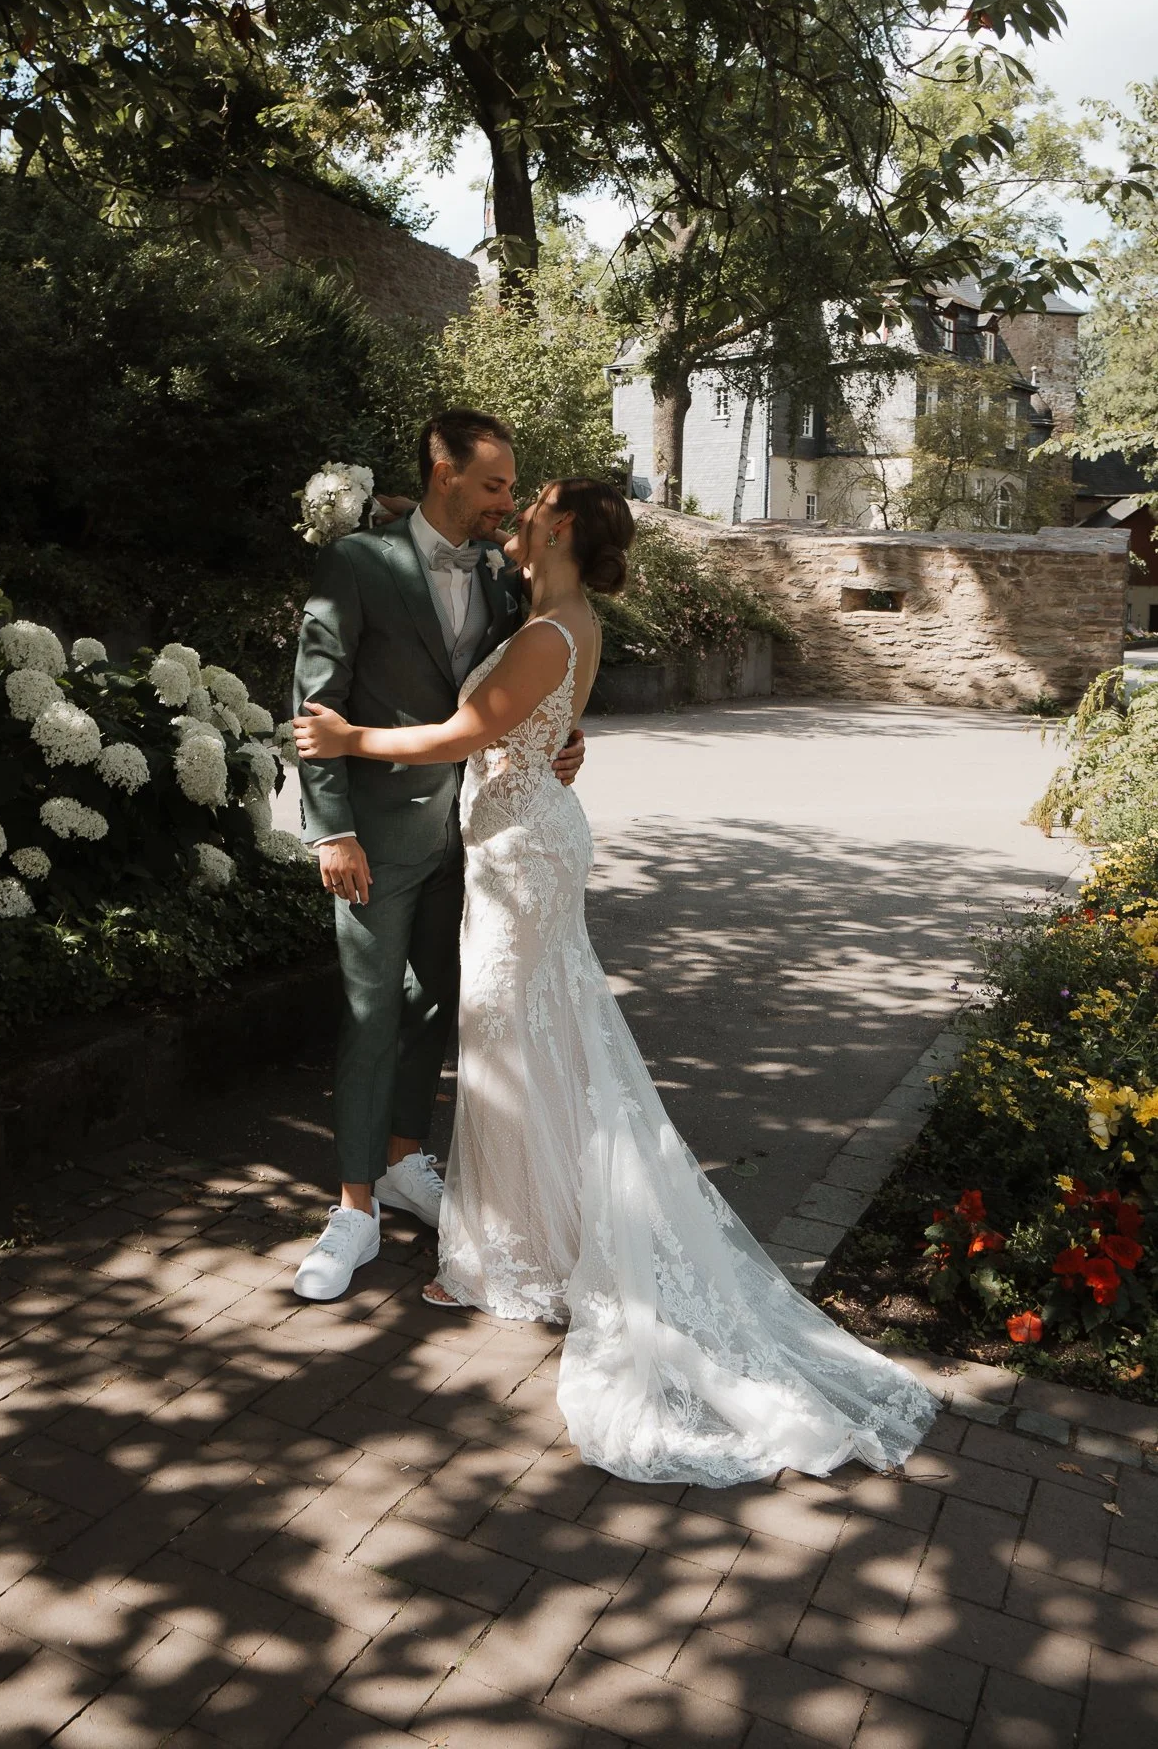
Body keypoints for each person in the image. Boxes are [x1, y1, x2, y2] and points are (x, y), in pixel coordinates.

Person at [294, 476, 938, 1488]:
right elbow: (524, 725)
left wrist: (349, 740)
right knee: (525, 1039)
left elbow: (467, 734)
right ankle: (521, 1242)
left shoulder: (552, 630)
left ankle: (513, 1257)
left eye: (530, 503)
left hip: (523, 856)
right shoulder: (547, 617)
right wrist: (550, 739)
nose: (514, 513)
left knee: (519, 1038)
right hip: (520, 844)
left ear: (554, 527)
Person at [290, 410, 584, 1302]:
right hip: (373, 839)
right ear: (442, 471)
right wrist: (329, 829)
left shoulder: (502, 575)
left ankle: (402, 1160)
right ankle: (350, 1211)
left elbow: (515, 692)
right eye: (493, 484)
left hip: (475, 836)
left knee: (430, 1007)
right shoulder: (357, 564)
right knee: (368, 1012)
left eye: (511, 489)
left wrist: (564, 743)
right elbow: (314, 708)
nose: (505, 502)